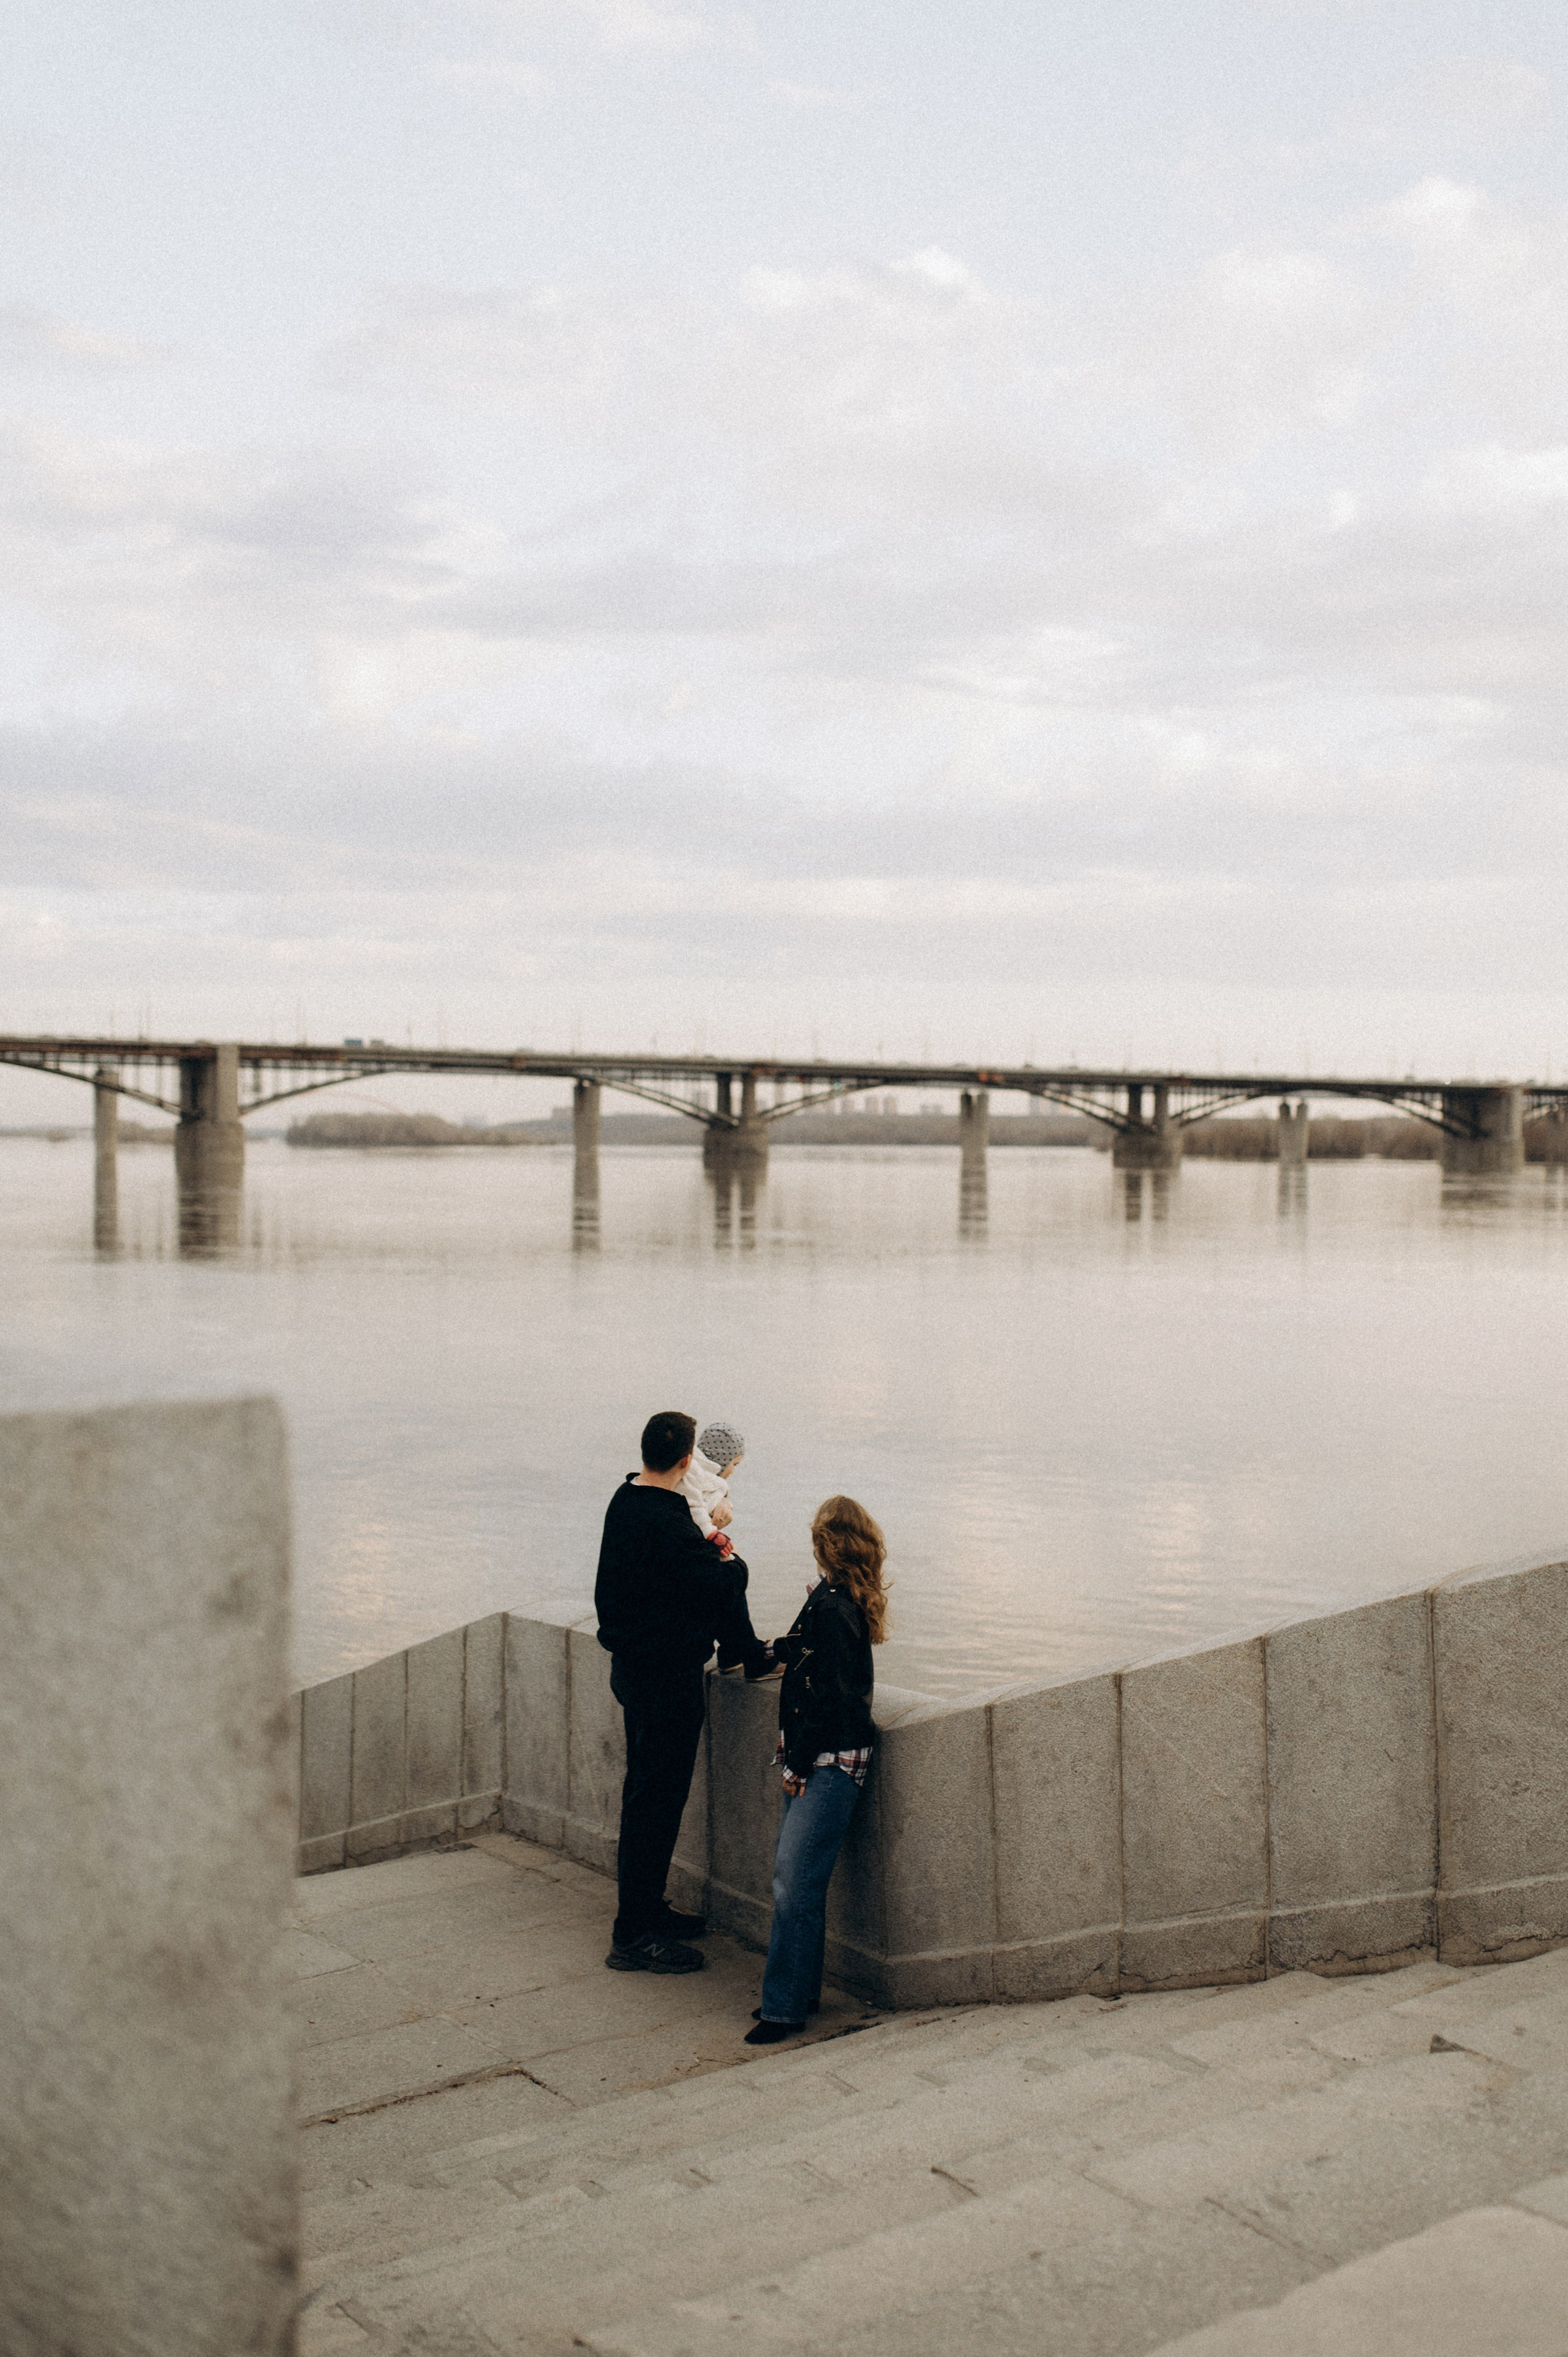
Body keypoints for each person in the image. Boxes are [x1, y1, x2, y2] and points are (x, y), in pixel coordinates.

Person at [595, 1408, 771, 1976]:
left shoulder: (625, 1501)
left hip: (634, 1670)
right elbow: (724, 1577)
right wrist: (731, 1555)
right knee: (656, 1804)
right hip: (666, 1679)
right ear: (689, 1460)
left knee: (646, 1797)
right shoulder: (670, 1522)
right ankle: (635, 1935)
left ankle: (647, 1911)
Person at [745, 1495, 889, 2045]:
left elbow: (826, 1696)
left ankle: (783, 2010)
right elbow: (806, 1652)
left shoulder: (833, 1605)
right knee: (799, 1884)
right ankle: (799, 1994)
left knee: (793, 1884)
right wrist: (767, 1649)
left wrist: (798, 1765)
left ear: (825, 1542)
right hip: (829, 1757)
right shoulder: (834, 1598)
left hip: (826, 1761)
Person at [680, 1421, 751, 1669]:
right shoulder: (700, 1478)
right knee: (733, 1571)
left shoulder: (696, 1472)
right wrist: (715, 1532)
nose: (733, 1472)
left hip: (694, 1549)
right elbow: (696, 1516)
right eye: (734, 1465)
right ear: (722, 1460)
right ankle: (740, 1649)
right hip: (694, 1555)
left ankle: (739, 1649)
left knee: (732, 1567)